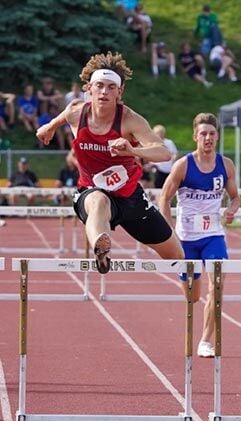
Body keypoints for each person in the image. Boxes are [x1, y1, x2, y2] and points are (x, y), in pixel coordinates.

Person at [35, 51, 184, 274]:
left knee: (177, 257)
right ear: (89, 89)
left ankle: (190, 303)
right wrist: (49, 127)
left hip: (130, 197)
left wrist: (132, 149)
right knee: (98, 201)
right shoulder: (76, 113)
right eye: (99, 85)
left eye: (111, 87)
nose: (104, 91)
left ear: (119, 92)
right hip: (91, 191)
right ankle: (101, 248)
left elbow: (164, 153)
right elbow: (65, 114)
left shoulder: (129, 120)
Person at [158, 112, 240, 358]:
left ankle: (205, 340)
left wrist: (231, 210)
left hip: (213, 235)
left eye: (212, 134)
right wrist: (168, 230)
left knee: (217, 284)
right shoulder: (183, 165)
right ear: (195, 136)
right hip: (186, 238)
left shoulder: (226, 165)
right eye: (203, 134)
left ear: (217, 137)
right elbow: (164, 197)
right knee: (192, 297)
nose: (207, 138)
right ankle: (194, 287)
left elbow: (235, 196)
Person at [37, 78, 66, 149]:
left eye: (49, 84)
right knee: (41, 129)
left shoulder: (55, 92)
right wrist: (50, 99)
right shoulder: (41, 92)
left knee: (58, 130)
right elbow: (41, 97)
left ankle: (62, 148)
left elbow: (60, 96)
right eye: (46, 84)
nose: (47, 86)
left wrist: (52, 100)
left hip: (54, 115)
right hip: (44, 114)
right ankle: (41, 148)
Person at [152, 124, 178, 188]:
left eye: (160, 133)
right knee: (158, 186)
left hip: (168, 169)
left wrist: (173, 163)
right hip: (158, 169)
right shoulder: (153, 143)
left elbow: (174, 154)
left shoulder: (169, 143)